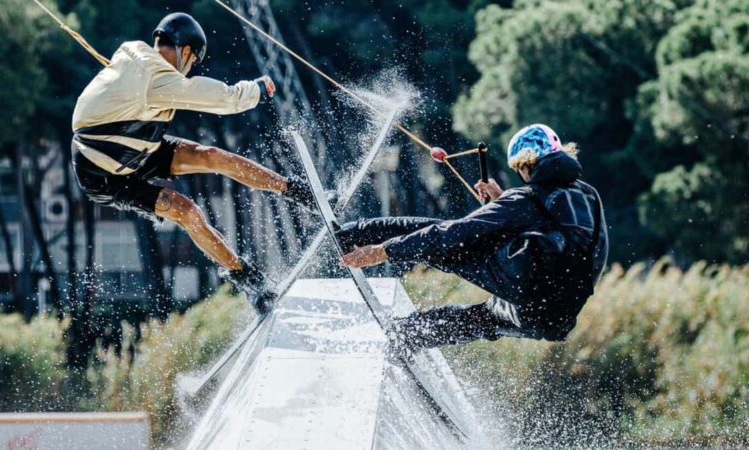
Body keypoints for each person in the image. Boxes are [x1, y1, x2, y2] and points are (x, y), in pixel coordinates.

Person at [71, 13, 320, 314]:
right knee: (187, 211)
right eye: (191, 64)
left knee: (212, 156)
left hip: (136, 142)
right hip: (103, 173)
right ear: (185, 51)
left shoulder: (134, 54)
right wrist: (258, 88)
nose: (187, 72)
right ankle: (247, 279)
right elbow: (226, 100)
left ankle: (299, 192)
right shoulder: (159, 77)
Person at [338, 124, 609, 354]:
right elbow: (563, 236)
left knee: (439, 236)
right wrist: (502, 201)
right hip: (554, 318)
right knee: (483, 319)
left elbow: (450, 235)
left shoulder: (523, 200)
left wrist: (385, 251)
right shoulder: (588, 195)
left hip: (527, 292)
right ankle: (406, 336)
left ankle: (351, 233)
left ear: (526, 165)